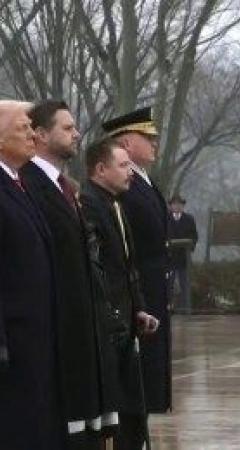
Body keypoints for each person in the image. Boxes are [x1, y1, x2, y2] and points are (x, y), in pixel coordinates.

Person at [21, 100, 110, 448]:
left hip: (81, 330)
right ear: (41, 135)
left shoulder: (66, 187)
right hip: (55, 330)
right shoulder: (30, 184)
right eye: (67, 128)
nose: (77, 134)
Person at [80, 137, 160, 450]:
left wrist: (137, 307)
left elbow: (128, 266)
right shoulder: (89, 204)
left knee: (133, 409)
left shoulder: (115, 203)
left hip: (127, 319)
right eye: (123, 165)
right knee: (115, 408)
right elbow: (98, 269)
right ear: (100, 169)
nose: (130, 172)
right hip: (108, 323)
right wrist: (113, 315)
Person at [0, 100, 63, 449]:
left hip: (36, 340)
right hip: (14, 343)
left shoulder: (17, 184)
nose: (31, 136)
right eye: (23, 128)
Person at [102, 106, 172, 415]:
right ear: (128, 143)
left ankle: (154, 401)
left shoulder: (144, 180)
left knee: (155, 356)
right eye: (148, 137)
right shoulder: (126, 186)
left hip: (155, 280)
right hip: (141, 280)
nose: (155, 143)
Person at [167, 194, 198, 314]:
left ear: (183, 206)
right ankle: (168, 308)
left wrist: (190, 247)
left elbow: (194, 236)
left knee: (185, 284)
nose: (177, 206)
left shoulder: (189, 219)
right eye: (174, 204)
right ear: (171, 206)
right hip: (170, 258)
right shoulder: (166, 218)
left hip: (183, 258)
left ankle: (186, 309)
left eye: (179, 204)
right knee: (168, 284)